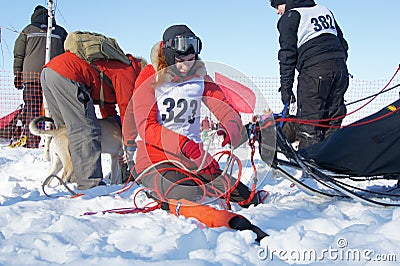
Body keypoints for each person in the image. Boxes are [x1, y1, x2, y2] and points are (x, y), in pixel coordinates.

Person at [130, 24, 260, 208]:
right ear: (167, 56)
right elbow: (146, 127)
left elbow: (224, 107)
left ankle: (191, 180)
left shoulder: (200, 75)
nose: (186, 66)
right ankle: (153, 185)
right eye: (181, 61)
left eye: (191, 60)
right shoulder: (149, 76)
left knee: (246, 197)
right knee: (189, 193)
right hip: (157, 158)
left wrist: (231, 126)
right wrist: (188, 147)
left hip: (193, 158)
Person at [40, 50, 144, 190]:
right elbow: (127, 108)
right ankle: (91, 184)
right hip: (68, 75)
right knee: (86, 129)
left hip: (49, 72)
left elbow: (107, 103)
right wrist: (128, 142)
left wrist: (112, 120)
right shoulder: (130, 72)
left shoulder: (116, 64)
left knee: (67, 132)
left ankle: (72, 179)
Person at [270, 0, 349, 149]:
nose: (277, 11)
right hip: (340, 70)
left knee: (309, 126)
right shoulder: (323, 10)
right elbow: (343, 44)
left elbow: (287, 56)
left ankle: (310, 167)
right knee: (332, 121)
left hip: (314, 73)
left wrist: (286, 88)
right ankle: (329, 163)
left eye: (277, 6)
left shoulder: (290, 17)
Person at [13, 5, 68, 148]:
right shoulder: (61, 32)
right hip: (55, 76)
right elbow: (68, 54)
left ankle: (32, 143)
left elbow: (19, 54)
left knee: (33, 108)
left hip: (31, 77)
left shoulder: (27, 30)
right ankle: (58, 143)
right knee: (56, 110)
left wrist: (17, 75)